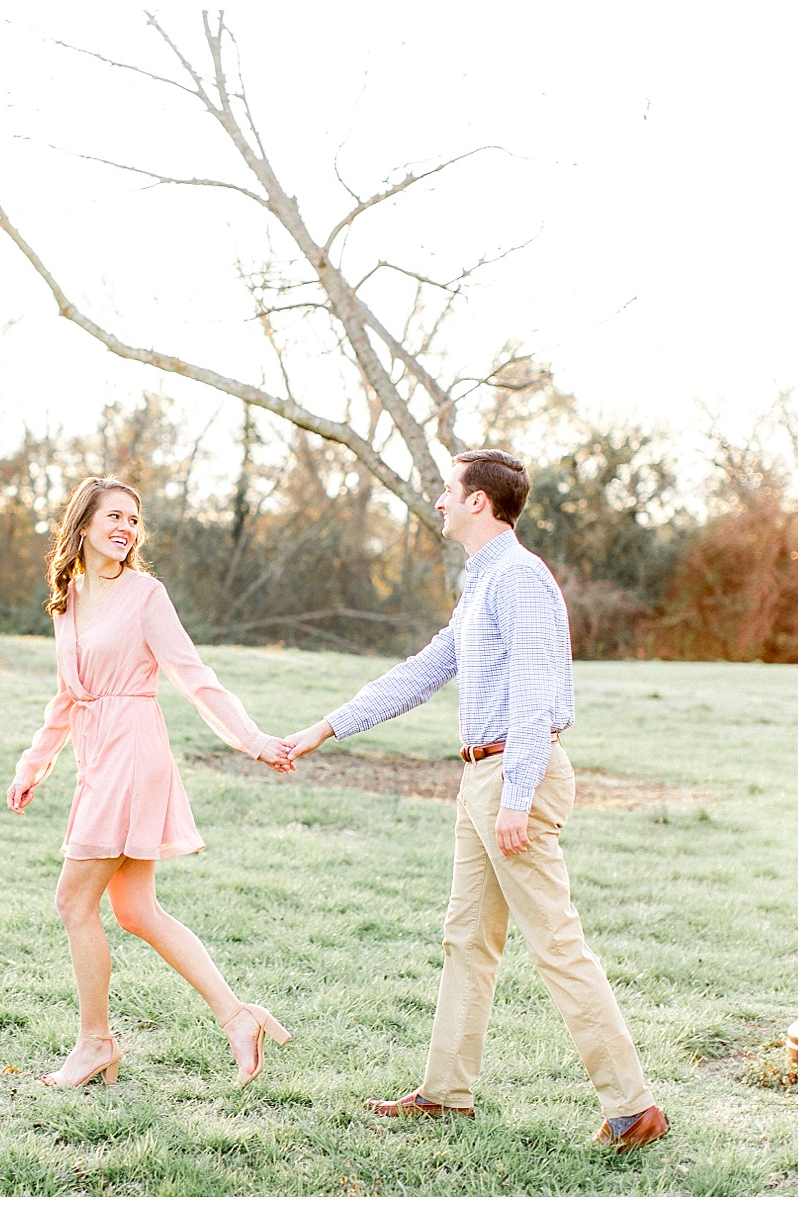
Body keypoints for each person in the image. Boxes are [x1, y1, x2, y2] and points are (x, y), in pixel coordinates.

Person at [283, 449, 668, 1153]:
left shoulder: (518, 579)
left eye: (447, 490)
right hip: (482, 778)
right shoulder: (483, 581)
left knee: (556, 942)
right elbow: (423, 671)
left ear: (478, 502)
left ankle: (633, 1108)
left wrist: (516, 796)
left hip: (514, 776)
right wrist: (324, 729)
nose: (438, 501)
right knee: (466, 939)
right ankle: (445, 1093)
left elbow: (534, 692)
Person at [9, 475, 296, 1090]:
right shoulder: (69, 597)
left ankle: (95, 1044)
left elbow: (195, 676)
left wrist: (253, 740)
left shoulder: (146, 594)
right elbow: (67, 695)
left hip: (133, 753)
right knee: (136, 910)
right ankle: (237, 1015)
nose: (126, 528)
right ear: (84, 523)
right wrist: (33, 763)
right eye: (114, 516)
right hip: (96, 754)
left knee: (73, 902)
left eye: (134, 520)